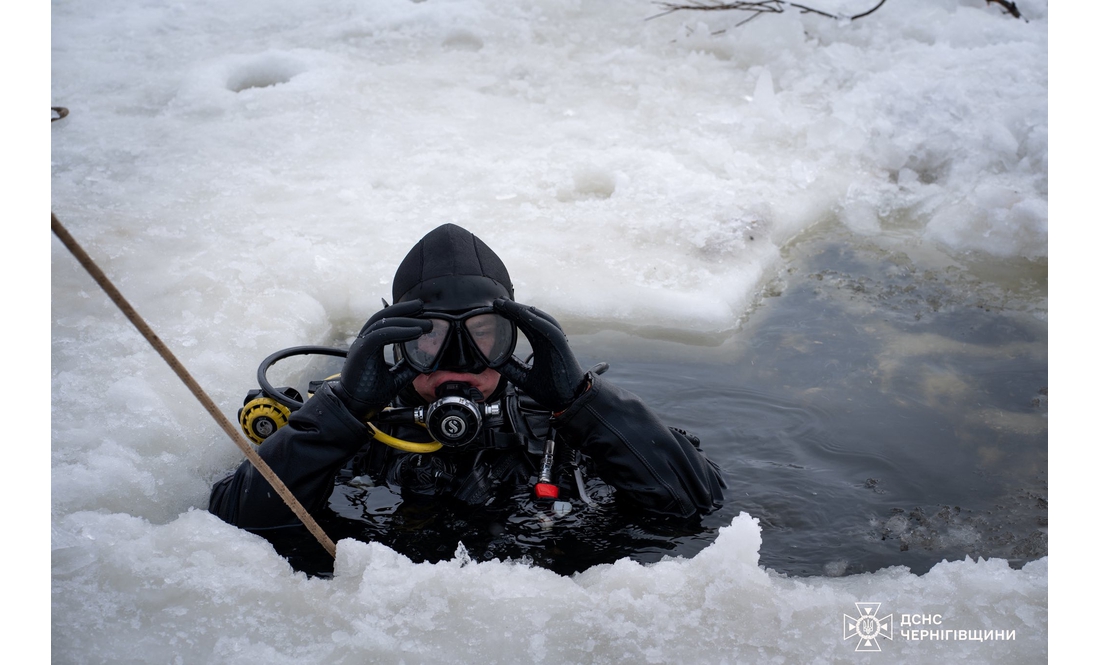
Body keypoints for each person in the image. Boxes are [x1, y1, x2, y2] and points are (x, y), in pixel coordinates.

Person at [209, 224, 726, 558]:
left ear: (514, 339)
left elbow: (694, 506)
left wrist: (583, 403)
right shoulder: (358, 425)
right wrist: (342, 410)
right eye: (430, 339)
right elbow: (234, 527)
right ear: (396, 342)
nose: (458, 366)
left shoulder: (558, 423)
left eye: (482, 338)